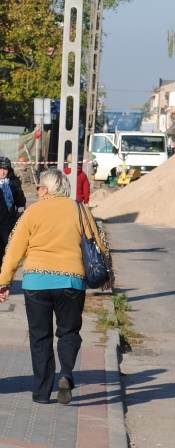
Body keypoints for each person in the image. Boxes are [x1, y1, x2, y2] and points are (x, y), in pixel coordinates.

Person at [0, 169, 106, 405]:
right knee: (69, 332)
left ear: (46, 190)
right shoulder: (80, 210)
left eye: (39, 188)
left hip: (36, 283)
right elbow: (98, 244)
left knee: (40, 337)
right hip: (71, 281)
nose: (37, 191)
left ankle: (41, 392)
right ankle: (66, 374)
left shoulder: (32, 212)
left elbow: (14, 249)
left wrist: (3, 281)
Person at [0, 157, 26, 266]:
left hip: (7, 222)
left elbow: (21, 202)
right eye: (0, 168)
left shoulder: (13, 182)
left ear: (9, 170)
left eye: (5, 169)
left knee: (5, 250)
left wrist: (18, 190)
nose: (2, 171)